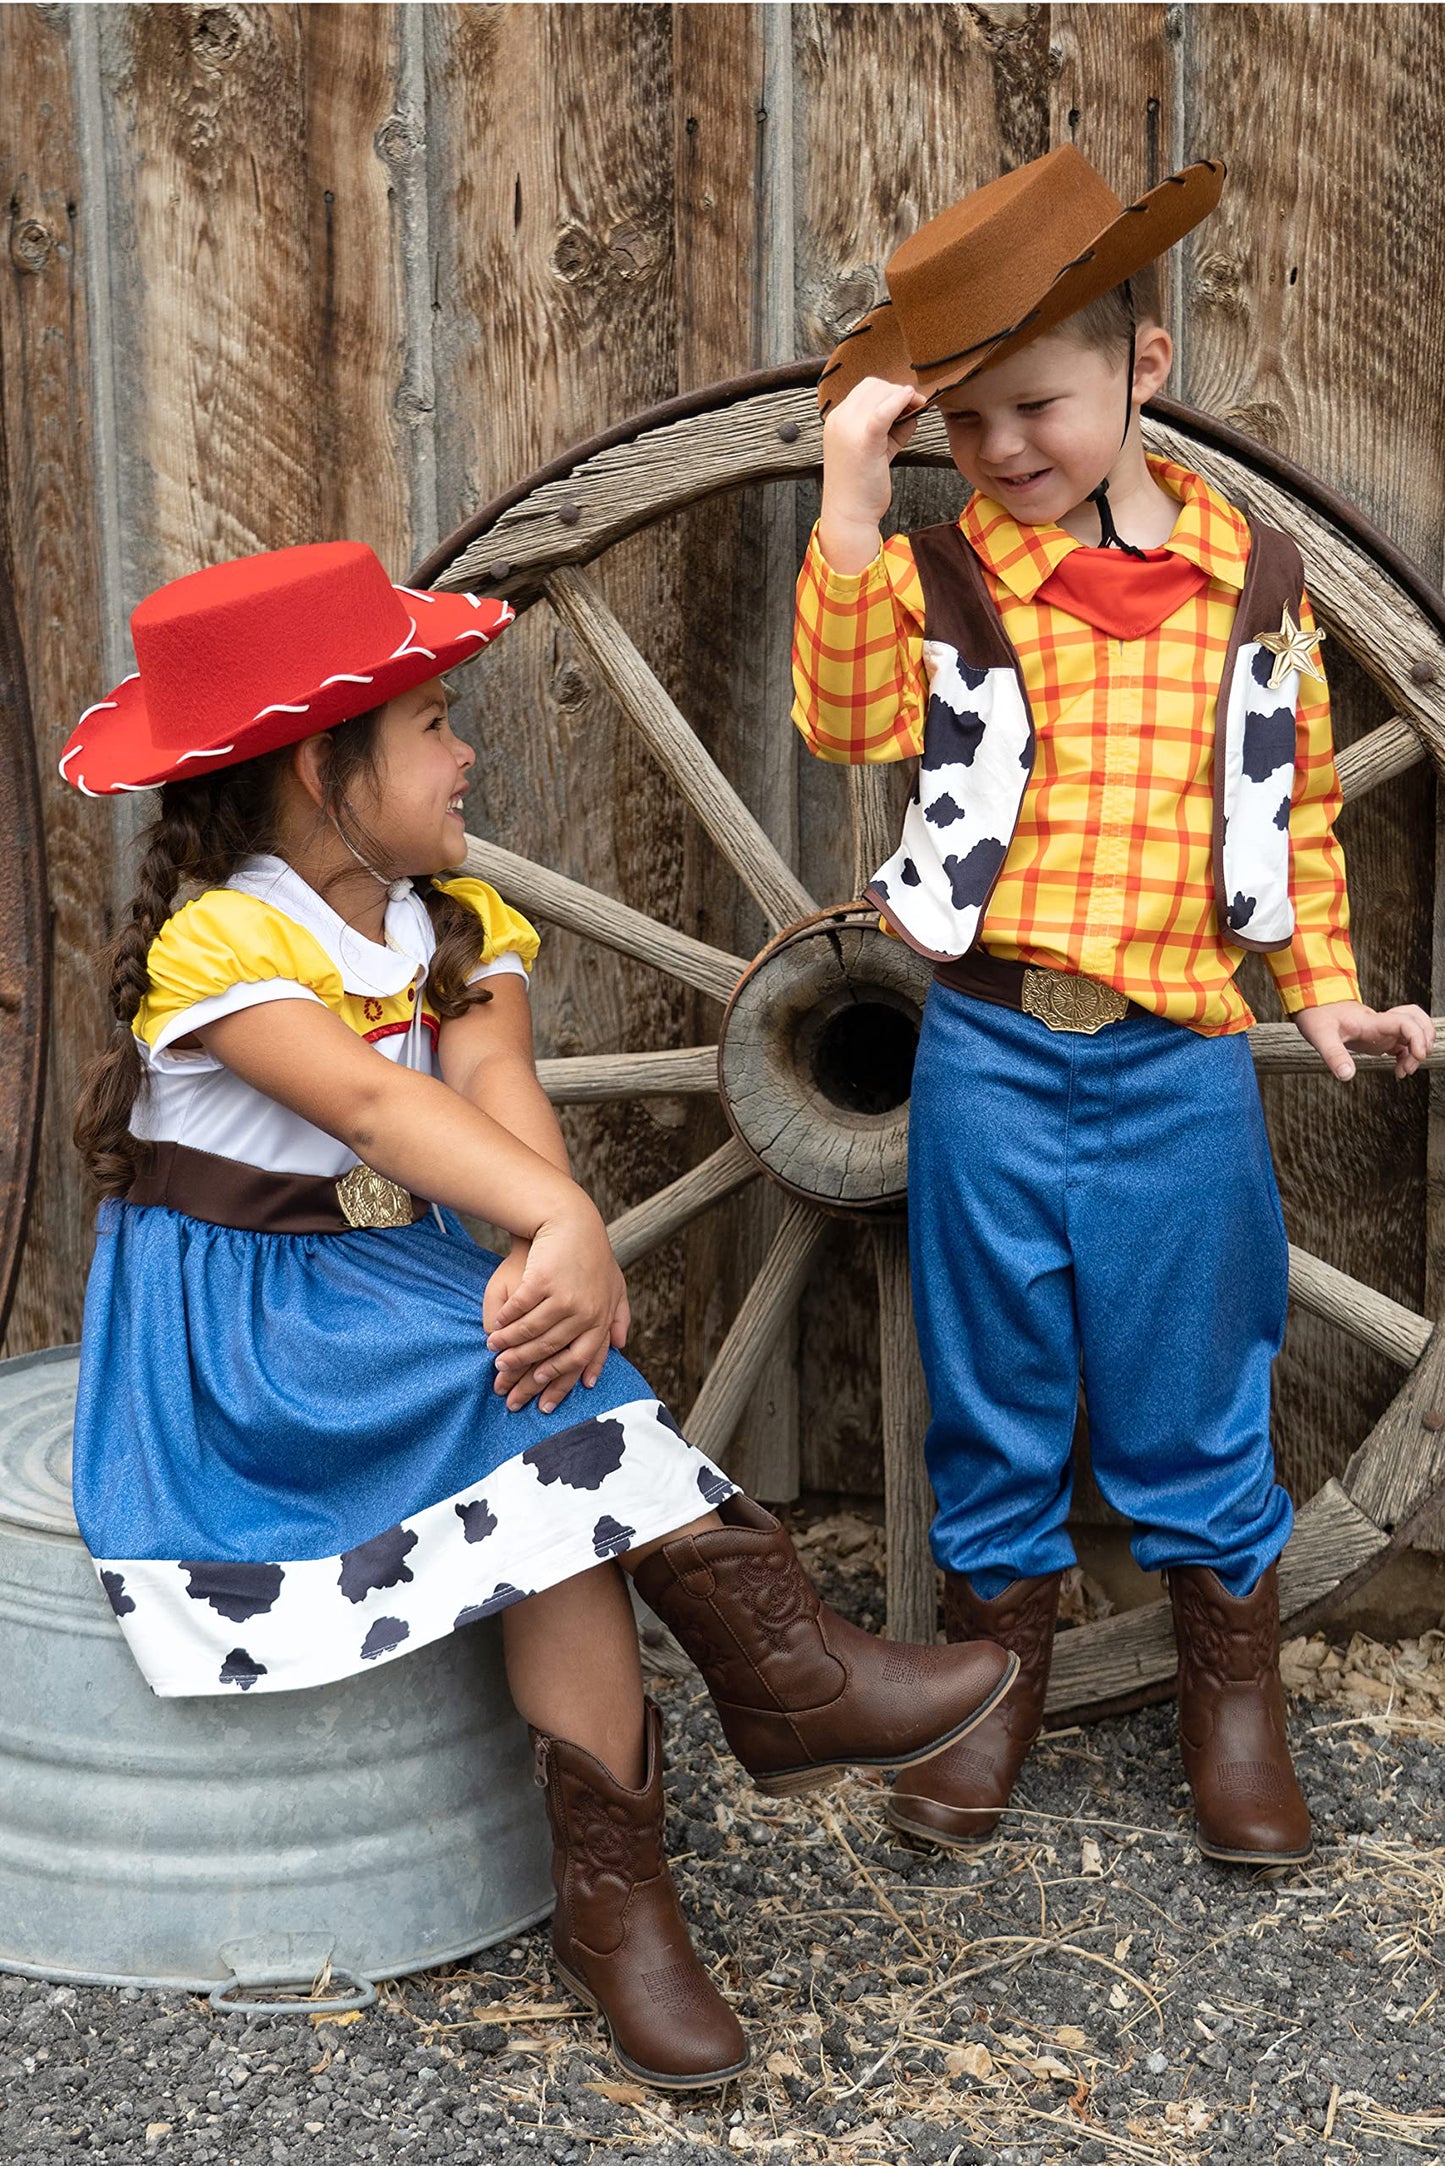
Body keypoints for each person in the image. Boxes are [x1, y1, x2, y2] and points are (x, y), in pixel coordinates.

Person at [60, 541, 1015, 2089]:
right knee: (532, 1392)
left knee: (544, 1395)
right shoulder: (222, 943)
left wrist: (556, 1242)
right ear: (318, 767)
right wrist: (561, 1228)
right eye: (432, 725)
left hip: (380, 1289)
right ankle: (787, 1677)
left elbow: (496, 1094)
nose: (465, 755)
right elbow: (373, 1107)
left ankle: (621, 1894)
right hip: (245, 1338)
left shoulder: (450, 923)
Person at [791, 146, 1435, 1868]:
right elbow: (845, 719)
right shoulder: (945, 573)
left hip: (1177, 1063)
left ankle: (1230, 1696)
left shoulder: (1254, 582)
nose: (1003, 447)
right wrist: (851, 493)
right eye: (966, 419)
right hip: (993, 1048)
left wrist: (1322, 993)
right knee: (992, 1372)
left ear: (1142, 367)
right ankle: (993, 1681)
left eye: (1038, 405)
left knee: (1193, 1370)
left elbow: (1292, 807)